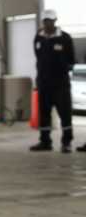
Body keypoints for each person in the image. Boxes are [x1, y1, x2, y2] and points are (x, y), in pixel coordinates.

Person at [31, 9, 75, 152]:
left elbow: (71, 60)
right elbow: (38, 57)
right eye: (45, 21)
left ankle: (66, 142)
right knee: (44, 114)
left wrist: (61, 69)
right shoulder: (39, 38)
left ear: (55, 21)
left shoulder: (65, 38)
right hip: (44, 83)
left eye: (50, 21)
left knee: (65, 114)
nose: (48, 24)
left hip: (60, 84)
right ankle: (45, 141)